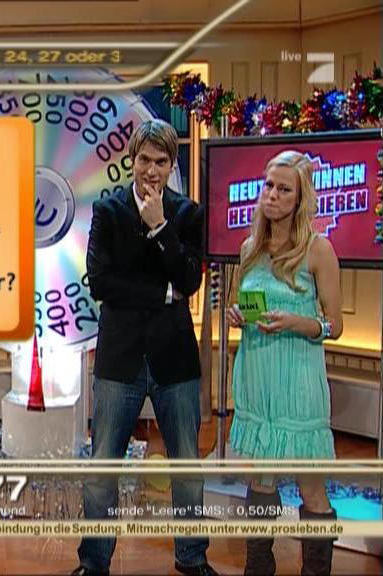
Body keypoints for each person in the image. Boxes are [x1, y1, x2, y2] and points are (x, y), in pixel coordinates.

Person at [73, 119, 218, 576]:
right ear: (131, 161)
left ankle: (192, 558)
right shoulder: (108, 210)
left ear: (172, 165)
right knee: (103, 470)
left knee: (186, 468)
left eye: (160, 161)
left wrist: (159, 228)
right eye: (144, 160)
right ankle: (93, 562)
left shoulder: (187, 214)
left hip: (175, 360)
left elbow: (189, 281)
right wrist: (162, 293)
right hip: (120, 360)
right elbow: (101, 283)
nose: (151, 170)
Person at [227, 150, 343, 576]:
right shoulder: (249, 249)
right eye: (268, 186)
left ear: (300, 199)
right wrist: (238, 316)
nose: (272, 195)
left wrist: (298, 322)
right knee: (260, 479)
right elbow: (244, 305)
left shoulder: (319, 250)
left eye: (283, 189)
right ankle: (258, 567)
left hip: (298, 382)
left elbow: (335, 326)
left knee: (310, 487)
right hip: (257, 378)